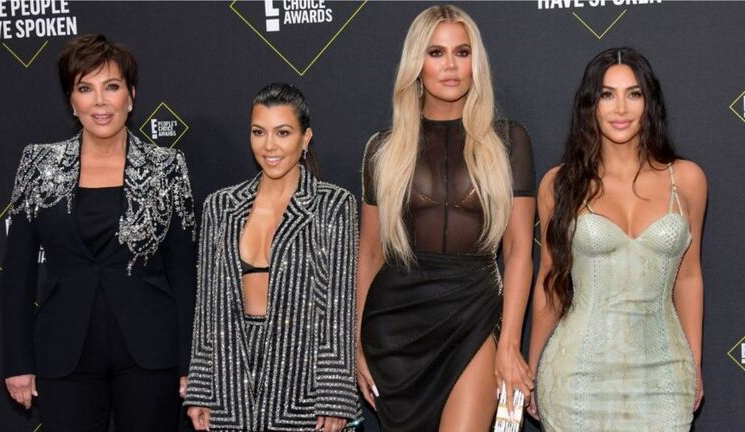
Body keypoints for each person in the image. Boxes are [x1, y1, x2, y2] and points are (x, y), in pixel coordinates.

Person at [1, 34, 197, 431]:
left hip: (150, 353)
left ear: (131, 95)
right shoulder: (38, 165)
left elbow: (184, 272)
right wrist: (18, 361)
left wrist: (192, 363)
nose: (100, 102)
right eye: (85, 88)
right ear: (71, 101)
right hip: (64, 353)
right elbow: (18, 272)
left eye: (112, 86)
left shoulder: (166, 167)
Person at [357, 5, 536, 431]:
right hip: (396, 327)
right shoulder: (383, 150)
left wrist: (510, 343)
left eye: (462, 52)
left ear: (477, 62)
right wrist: (357, 343)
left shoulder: (508, 141)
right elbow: (370, 253)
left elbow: (518, 250)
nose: (451, 65)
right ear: (416, 65)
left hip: (473, 313)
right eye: (436, 53)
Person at [528, 47, 706, 431]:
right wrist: (532, 369)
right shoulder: (559, 185)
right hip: (576, 377)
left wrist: (694, 363)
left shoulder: (687, 179)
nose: (620, 108)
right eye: (607, 94)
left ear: (649, 103)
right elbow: (549, 283)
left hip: (665, 374)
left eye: (633, 94)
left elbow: (689, 277)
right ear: (590, 105)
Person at [184, 83, 360, 432]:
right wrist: (201, 386)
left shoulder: (333, 205)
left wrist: (335, 394)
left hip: (303, 381)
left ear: (305, 137)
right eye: (258, 132)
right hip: (229, 377)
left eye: (283, 132)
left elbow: (339, 308)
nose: (269, 146)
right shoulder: (220, 206)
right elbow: (207, 305)